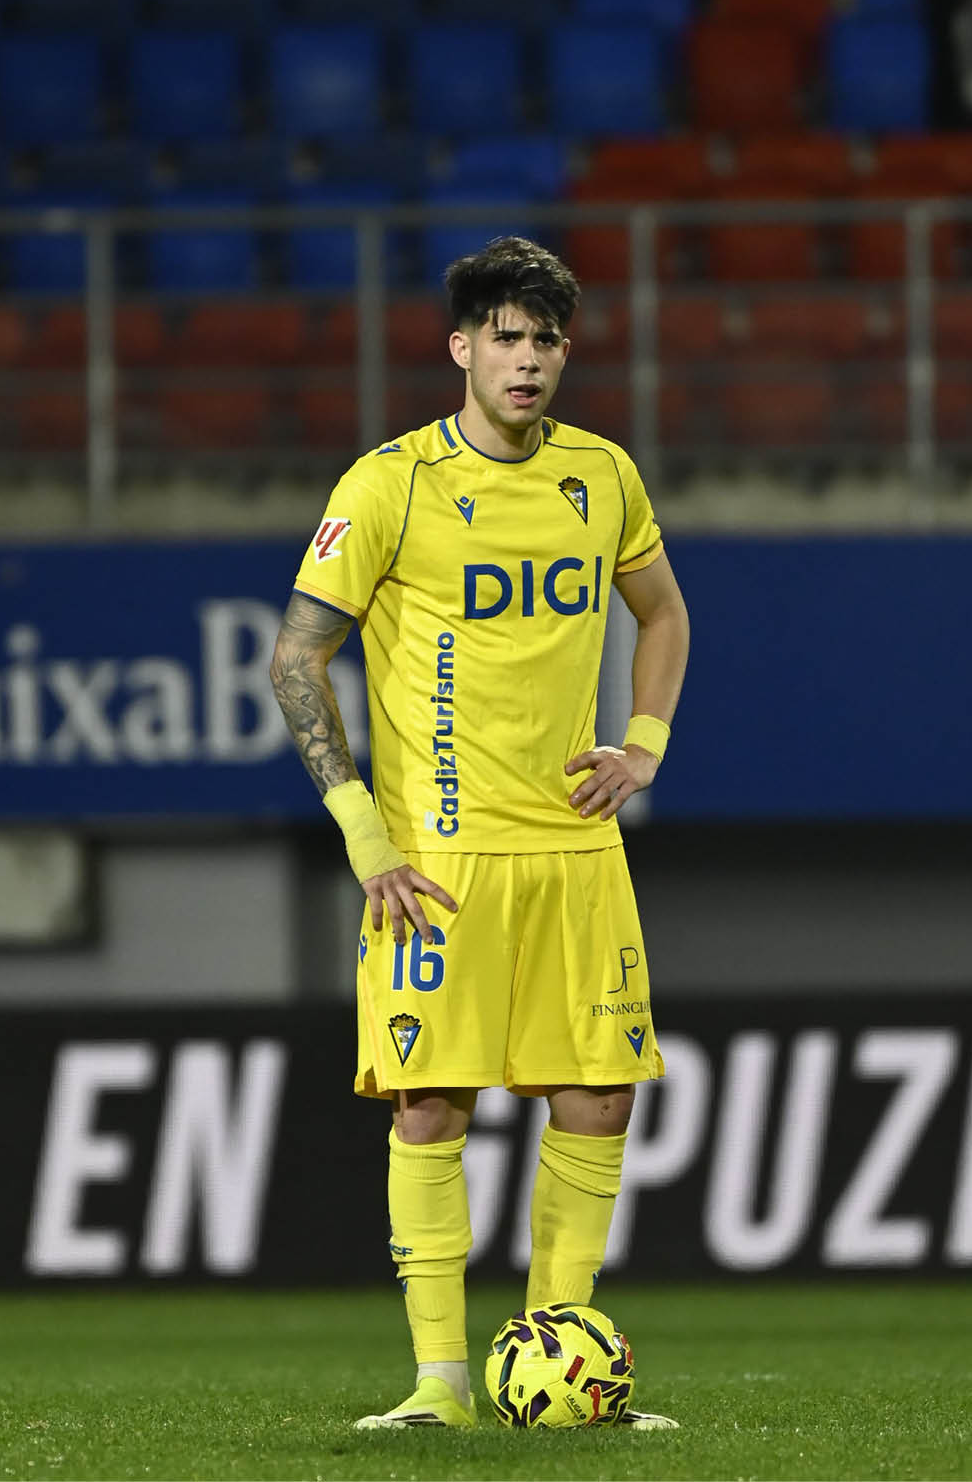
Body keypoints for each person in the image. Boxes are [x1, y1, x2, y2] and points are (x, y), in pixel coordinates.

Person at [270, 235, 690, 1431]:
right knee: (431, 1105)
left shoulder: (600, 476)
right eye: (504, 336)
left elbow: (662, 615)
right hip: (437, 863)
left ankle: (566, 1364)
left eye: (546, 338)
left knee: (597, 1098)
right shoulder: (388, 484)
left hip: (573, 849)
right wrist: (361, 828)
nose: (527, 359)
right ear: (459, 348)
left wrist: (644, 741)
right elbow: (299, 658)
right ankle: (438, 1385)